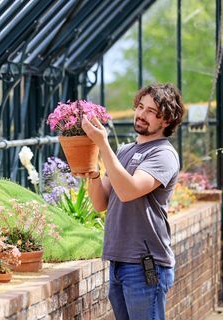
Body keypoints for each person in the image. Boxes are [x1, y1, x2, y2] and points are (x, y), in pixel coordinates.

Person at [80, 83, 184, 320]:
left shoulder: (163, 154)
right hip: (118, 260)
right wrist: (93, 174)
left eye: (151, 111)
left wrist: (102, 144)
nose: (141, 114)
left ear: (166, 121)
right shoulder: (125, 150)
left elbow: (129, 191)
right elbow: (100, 203)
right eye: (140, 107)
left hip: (145, 264)